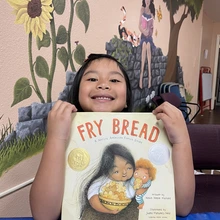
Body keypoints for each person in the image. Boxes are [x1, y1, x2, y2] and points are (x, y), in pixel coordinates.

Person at [29, 53, 195, 220]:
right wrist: (55, 138)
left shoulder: (154, 134)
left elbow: (182, 206)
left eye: (114, 80)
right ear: (77, 93)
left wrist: (181, 140)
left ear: (126, 100)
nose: (103, 84)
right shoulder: (63, 133)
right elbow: (43, 215)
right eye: (92, 79)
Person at [81, 143, 135, 216]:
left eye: (129, 168)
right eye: (117, 171)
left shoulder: (132, 181)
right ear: (106, 171)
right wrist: (108, 211)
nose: (124, 173)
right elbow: (93, 199)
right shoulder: (101, 181)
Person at [139, 0, 156, 89]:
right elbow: (139, 25)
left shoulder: (152, 12)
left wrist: (150, 32)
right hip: (143, 35)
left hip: (149, 36)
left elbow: (152, 27)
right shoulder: (142, 9)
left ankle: (150, 76)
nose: (147, 1)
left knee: (148, 46)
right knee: (144, 46)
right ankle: (141, 77)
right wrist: (143, 31)